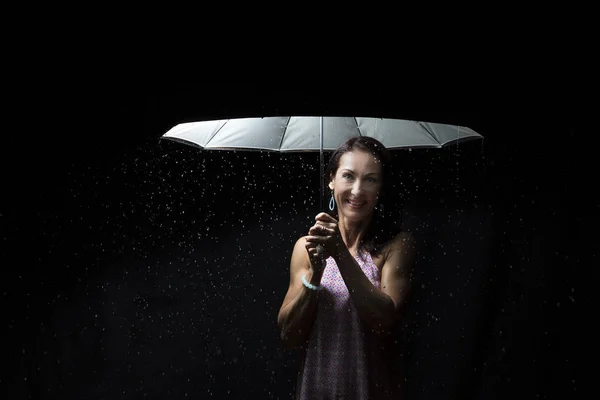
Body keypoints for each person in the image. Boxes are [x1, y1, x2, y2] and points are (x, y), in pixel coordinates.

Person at [277, 136, 416, 400]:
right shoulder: (306, 248)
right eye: (348, 176)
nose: (357, 190)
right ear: (331, 179)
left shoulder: (397, 245)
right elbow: (288, 334)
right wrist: (315, 276)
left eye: (371, 179)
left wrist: (340, 253)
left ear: (381, 188)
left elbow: (385, 322)